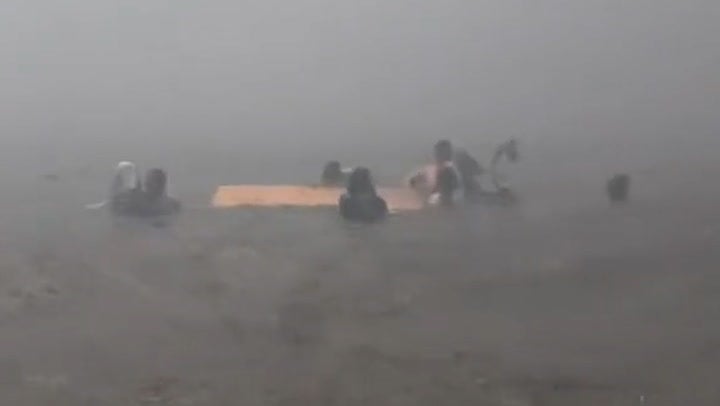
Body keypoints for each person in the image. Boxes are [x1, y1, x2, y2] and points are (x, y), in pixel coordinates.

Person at [407, 140, 464, 206]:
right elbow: (412, 181)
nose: (441, 156)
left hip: (446, 203)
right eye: (439, 153)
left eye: (443, 154)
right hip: (438, 199)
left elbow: (453, 193)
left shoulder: (453, 172)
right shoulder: (429, 169)